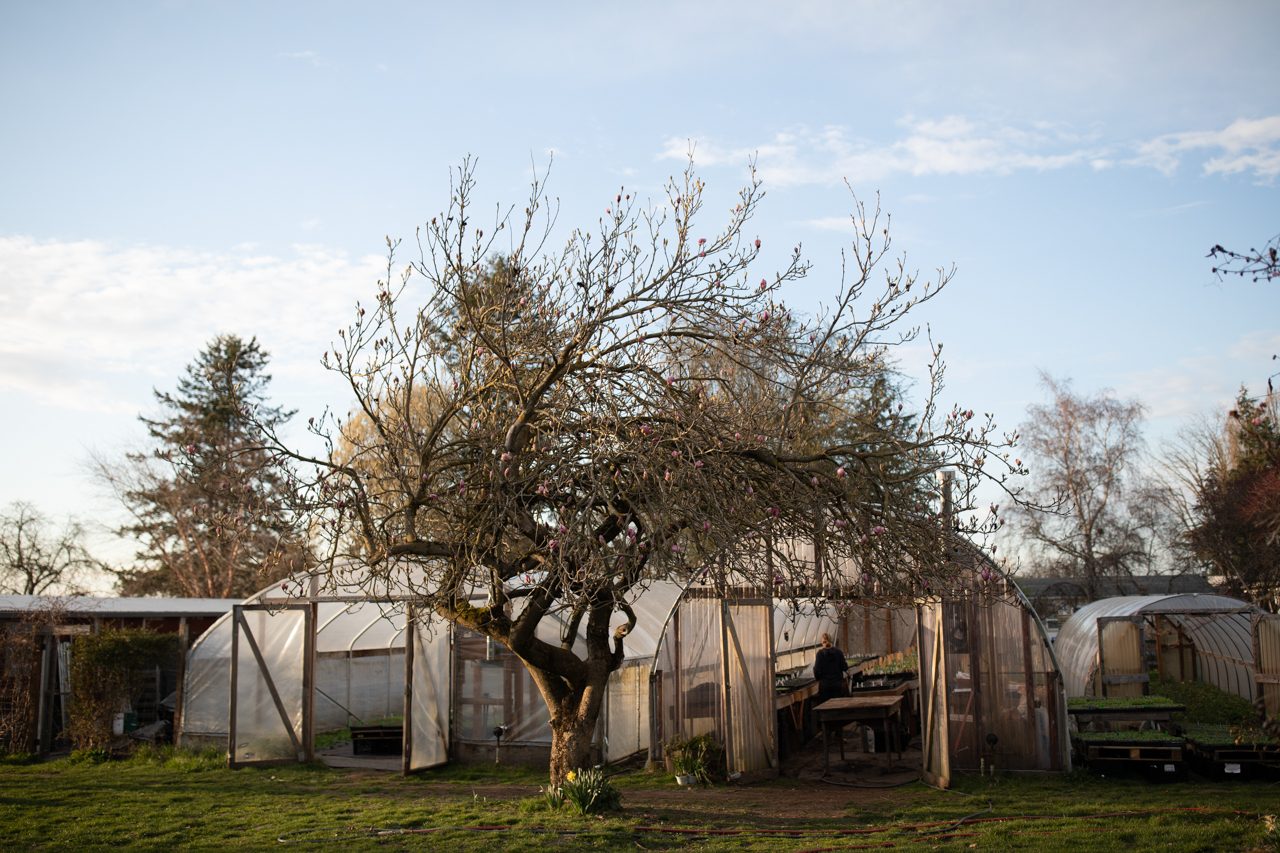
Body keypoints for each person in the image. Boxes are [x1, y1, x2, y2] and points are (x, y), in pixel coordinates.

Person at [812, 632, 849, 706]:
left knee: (826, 708)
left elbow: (817, 670)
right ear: (831, 641)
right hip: (837, 685)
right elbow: (844, 667)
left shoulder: (820, 654)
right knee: (837, 707)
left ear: (822, 642)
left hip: (824, 686)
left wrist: (818, 679)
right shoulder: (838, 652)